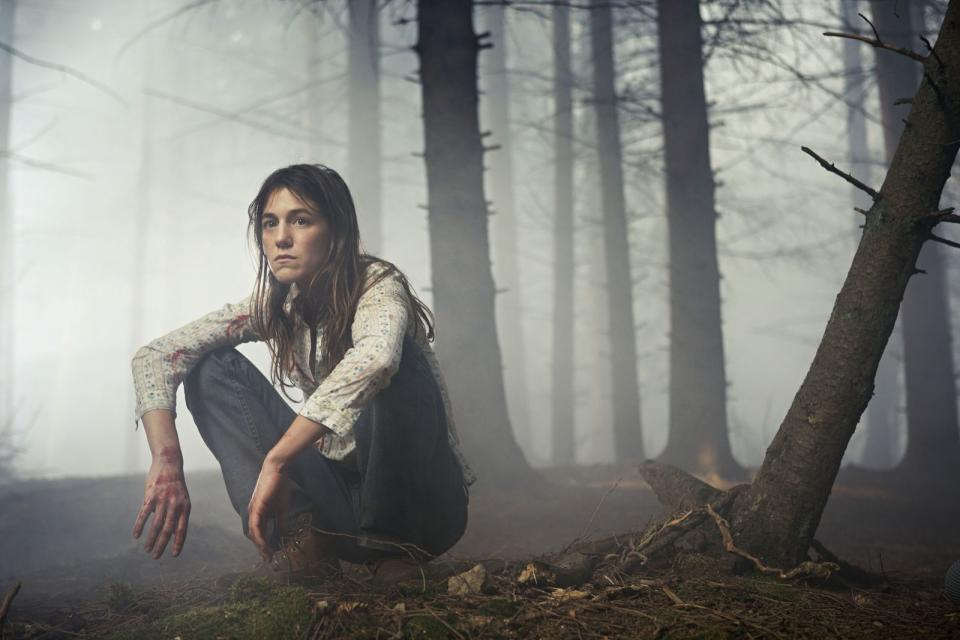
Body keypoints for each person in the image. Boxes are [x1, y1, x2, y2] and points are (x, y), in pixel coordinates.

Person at [130, 164, 474, 583]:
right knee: (209, 367)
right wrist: (167, 460)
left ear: (337, 231)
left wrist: (276, 459)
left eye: (301, 220)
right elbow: (159, 354)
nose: (281, 238)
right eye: (270, 223)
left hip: (426, 508)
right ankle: (304, 543)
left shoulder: (378, 285)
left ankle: (397, 550)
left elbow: (377, 359)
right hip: (340, 506)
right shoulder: (276, 303)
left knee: (397, 362)